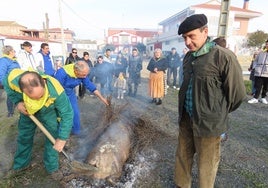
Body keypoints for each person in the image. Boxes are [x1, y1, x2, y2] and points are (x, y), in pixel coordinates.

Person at [174, 14, 246, 188]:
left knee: (206, 164)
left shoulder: (223, 57)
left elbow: (237, 94)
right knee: (183, 155)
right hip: (186, 118)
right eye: (184, 38)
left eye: (191, 36)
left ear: (205, 31)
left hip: (209, 124)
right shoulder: (188, 57)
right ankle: (182, 185)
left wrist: (217, 112)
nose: (187, 42)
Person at [2, 69, 73, 177]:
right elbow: (8, 87)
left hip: (48, 110)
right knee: (24, 137)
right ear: (23, 90)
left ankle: (52, 167)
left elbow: (67, 114)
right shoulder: (13, 79)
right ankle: (21, 164)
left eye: (41, 95)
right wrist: (18, 102)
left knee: (52, 138)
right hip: (28, 110)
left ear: (43, 82)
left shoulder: (56, 90)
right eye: (35, 97)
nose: (39, 98)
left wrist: (62, 138)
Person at [54, 60, 109, 135]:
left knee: (75, 112)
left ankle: (76, 131)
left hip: (70, 93)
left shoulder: (82, 74)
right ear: (76, 71)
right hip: (59, 94)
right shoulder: (61, 73)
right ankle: (60, 134)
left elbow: (90, 86)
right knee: (62, 114)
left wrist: (102, 98)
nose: (85, 77)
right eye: (83, 75)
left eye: (86, 75)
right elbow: (55, 89)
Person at [0, 45, 21, 117]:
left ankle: (19, 108)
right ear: (10, 52)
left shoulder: (13, 60)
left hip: (17, 82)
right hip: (9, 83)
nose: (15, 52)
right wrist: (5, 84)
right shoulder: (4, 61)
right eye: (14, 51)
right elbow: (1, 73)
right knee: (10, 97)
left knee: (18, 96)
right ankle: (10, 112)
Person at [248, 39, 268, 104]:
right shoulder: (261, 52)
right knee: (257, 85)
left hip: (267, 73)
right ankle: (255, 98)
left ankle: (263, 98)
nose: (267, 45)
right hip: (259, 72)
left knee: (266, 86)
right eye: (266, 44)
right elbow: (255, 60)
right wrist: (255, 67)